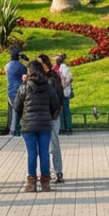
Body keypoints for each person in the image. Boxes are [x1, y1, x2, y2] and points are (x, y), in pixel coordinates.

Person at [15, 58, 61, 191]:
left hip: (29, 124)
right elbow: (56, 105)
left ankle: (31, 182)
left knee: (32, 153)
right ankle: (45, 183)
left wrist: (24, 116)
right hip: (45, 124)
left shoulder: (24, 86)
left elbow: (17, 105)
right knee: (44, 152)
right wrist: (50, 117)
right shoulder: (48, 86)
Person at [39, 55, 66, 183]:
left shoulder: (53, 77)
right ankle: (46, 171)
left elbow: (59, 95)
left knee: (54, 143)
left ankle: (58, 171)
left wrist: (56, 110)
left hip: (52, 115)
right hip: (41, 115)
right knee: (43, 146)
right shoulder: (36, 78)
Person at [5, 48, 27, 136]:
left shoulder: (7, 66)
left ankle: (13, 129)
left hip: (10, 90)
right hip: (19, 90)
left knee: (14, 110)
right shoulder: (21, 66)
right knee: (18, 110)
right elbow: (26, 72)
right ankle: (14, 130)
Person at [55, 54, 74, 133]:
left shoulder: (61, 69)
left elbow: (63, 80)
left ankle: (63, 127)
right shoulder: (66, 68)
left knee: (62, 110)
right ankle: (68, 127)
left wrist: (62, 86)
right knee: (67, 110)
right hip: (67, 91)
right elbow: (71, 78)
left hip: (63, 92)